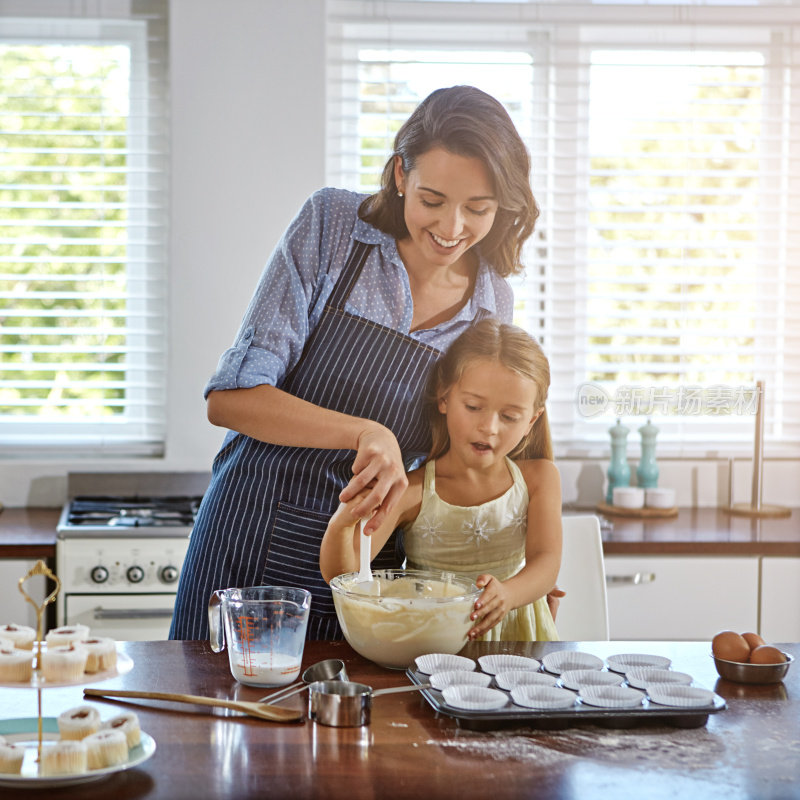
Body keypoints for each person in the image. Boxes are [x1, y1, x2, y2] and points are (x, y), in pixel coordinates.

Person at [169, 86, 539, 641]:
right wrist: (365, 432)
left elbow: (454, 460)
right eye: (432, 200)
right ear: (399, 176)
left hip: (367, 559)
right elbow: (230, 399)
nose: (452, 228)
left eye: (478, 209)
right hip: (250, 528)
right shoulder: (335, 228)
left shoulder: (491, 303)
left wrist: (511, 565)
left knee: (348, 724)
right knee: (214, 716)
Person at [320, 319, 562, 641]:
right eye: (474, 406)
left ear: (531, 420)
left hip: (519, 639)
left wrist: (509, 594)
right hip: (434, 641)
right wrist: (342, 522)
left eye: (509, 417)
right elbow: (344, 575)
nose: (489, 427)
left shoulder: (540, 478)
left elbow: (546, 563)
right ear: (444, 398)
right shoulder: (413, 490)